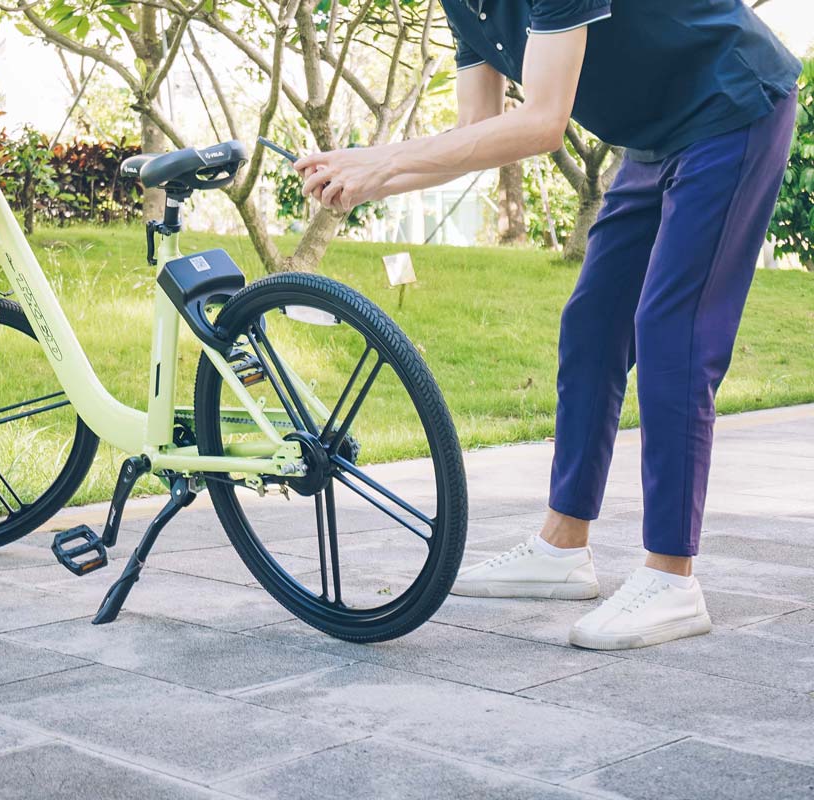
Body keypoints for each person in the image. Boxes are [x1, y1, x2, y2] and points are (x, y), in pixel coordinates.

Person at [294, 0, 801, 650]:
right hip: (655, 135)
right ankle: (563, 549)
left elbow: (542, 123)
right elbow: (477, 128)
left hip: (732, 107)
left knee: (672, 331)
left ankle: (672, 578)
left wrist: (383, 159)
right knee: (592, 326)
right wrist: (370, 180)